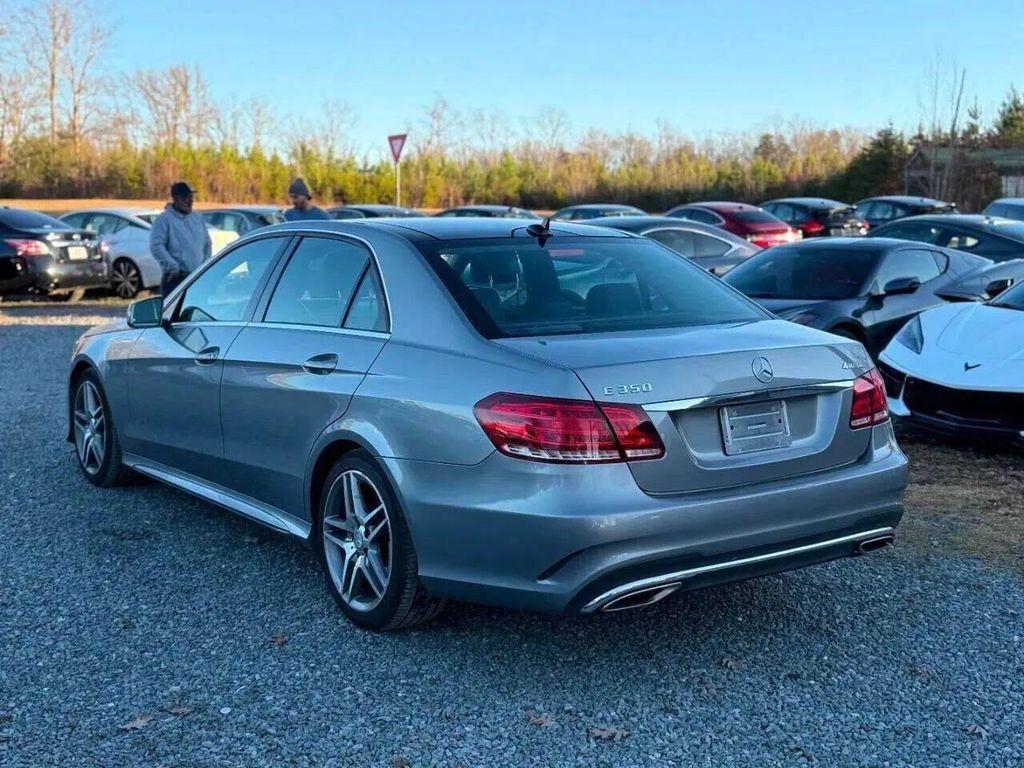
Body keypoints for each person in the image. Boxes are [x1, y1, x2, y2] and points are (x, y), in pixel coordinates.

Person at [149, 181, 212, 296]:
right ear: (175, 198)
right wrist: (173, 266)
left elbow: (207, 244)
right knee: (173, 313)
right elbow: (156, 246)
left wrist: (205, 265)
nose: (190, 200)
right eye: (185, 197)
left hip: (197, 277)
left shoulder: (197, 218)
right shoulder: (164, 219)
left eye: (191, 197)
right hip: (176, 279)